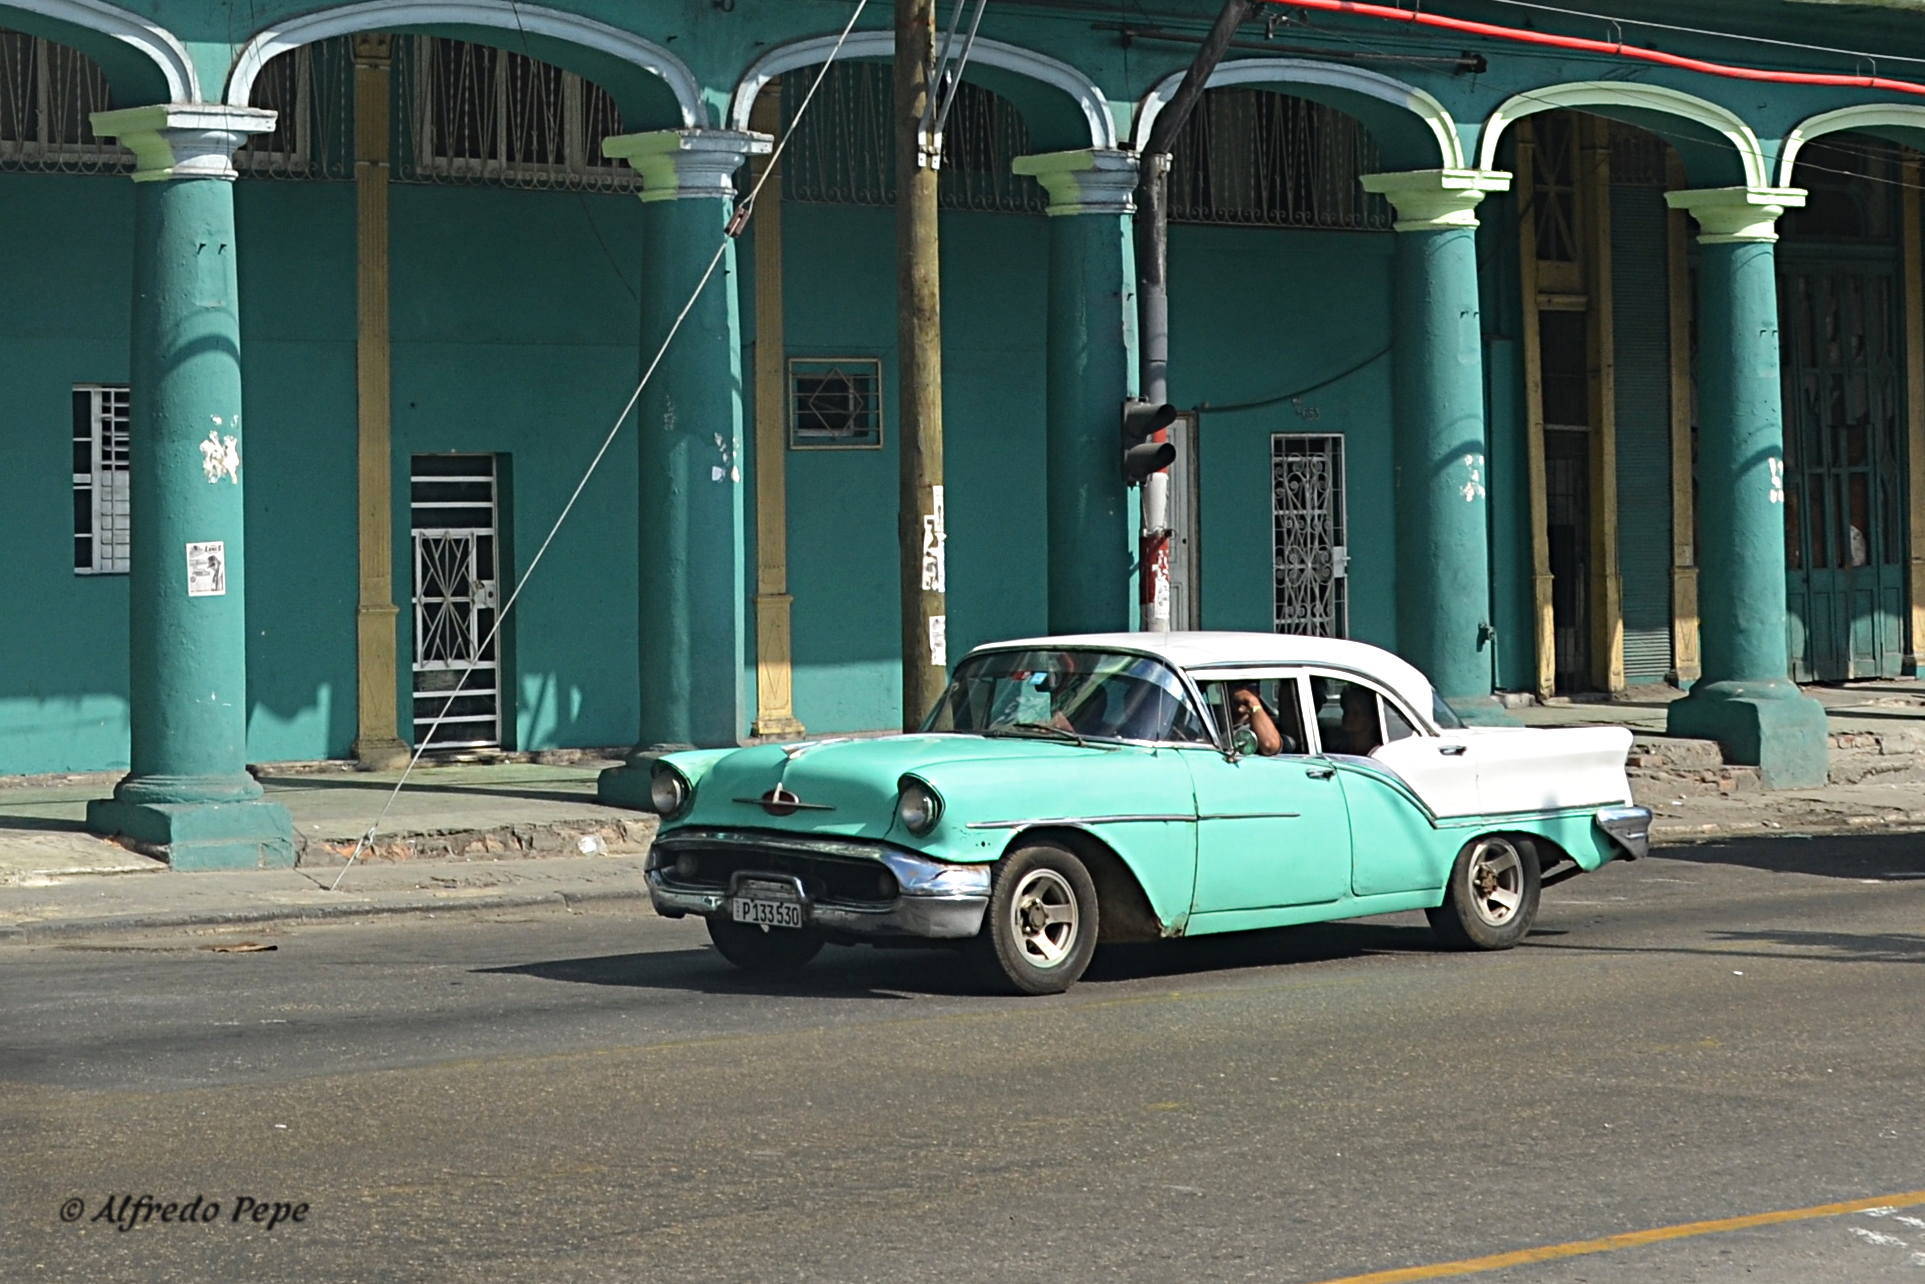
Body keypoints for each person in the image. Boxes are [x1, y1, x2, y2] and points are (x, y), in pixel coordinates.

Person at [1228, 682, 1284, 756]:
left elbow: (1269, 746)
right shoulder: (1213, 722)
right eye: (1238, 687)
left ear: (1258, 693)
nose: (1244, 692)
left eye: (1251, 687)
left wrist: (1252, 702)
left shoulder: (1263, 724)